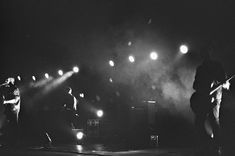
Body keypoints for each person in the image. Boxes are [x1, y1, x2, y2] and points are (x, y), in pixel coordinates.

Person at [191, 45, 230, 155]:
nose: (205, 56)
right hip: (203, 98)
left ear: (210, 54)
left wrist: (223, 83)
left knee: (214, 120)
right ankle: (204, 144)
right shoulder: (201, 68)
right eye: (204, 54)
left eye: (207, 53)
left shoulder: (217, 66)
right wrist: (203, 89)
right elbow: (195, 85)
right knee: (199, 122)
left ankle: (217, 145)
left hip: (214, 98)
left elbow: (226, 84)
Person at [0, 77, 21, 146]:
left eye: (7, 80)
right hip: (9, 109)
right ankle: (9, 142)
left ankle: (14, 142)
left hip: (14, 110)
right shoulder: (8, 89)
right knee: (8, 125)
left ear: (11, 81)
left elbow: (16, 99)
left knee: (13, 126)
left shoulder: (15, 89)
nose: (6, 81)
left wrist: (6, 101)